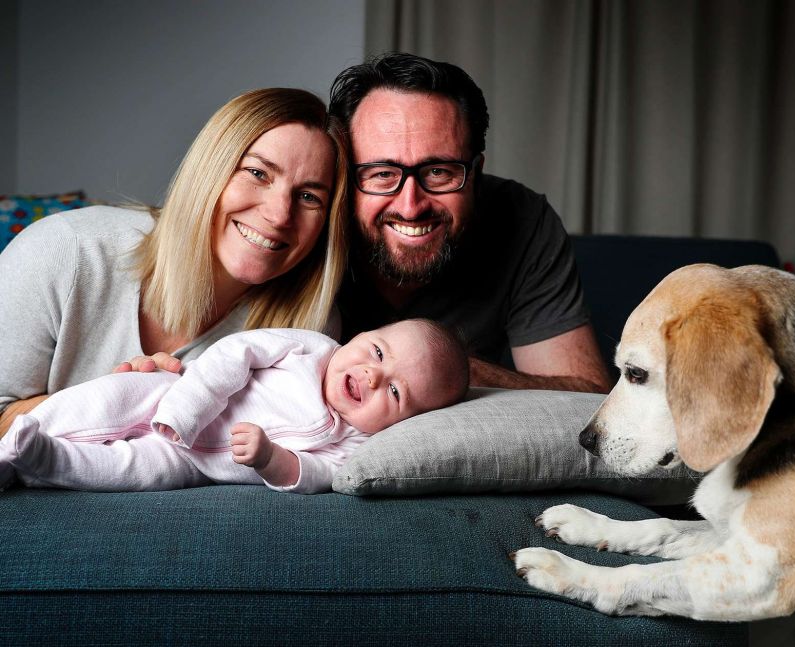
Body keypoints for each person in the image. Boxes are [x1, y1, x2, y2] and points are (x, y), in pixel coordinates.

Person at [0, 88, 349, 439]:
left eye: (308, 197)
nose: (278, 215)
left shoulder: (309, 328)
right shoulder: (64, 250)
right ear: (209, 170)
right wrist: (106, 403)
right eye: (258, 174)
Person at [328, 52, 611, 393]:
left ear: (476, 173)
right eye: (382, 174)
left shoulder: (522, 218)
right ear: (343, 173)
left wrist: (447, 372)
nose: (411, 206)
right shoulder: (310, 218)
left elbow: (586, 397)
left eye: (438, 172)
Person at [0, 318, 469, 494]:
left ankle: (44, 459)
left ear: (405, 424)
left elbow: (317, 477)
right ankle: (13, 447)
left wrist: (272, 460)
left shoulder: (356, 444)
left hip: (189, 464)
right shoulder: (310, 349)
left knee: (130, 472)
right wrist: (186, 409)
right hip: (168, 395)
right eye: (378, 352)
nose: (371, 374)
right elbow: (235, 351)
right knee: (98, 402)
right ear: (361, 334)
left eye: (393, 393)